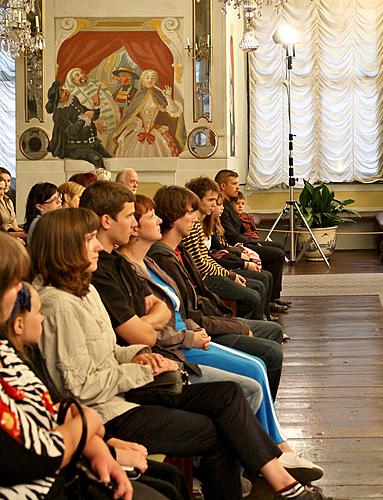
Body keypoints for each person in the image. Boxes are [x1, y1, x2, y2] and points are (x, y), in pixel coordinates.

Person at [28, 209, 333, 500]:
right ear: (66, 248)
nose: (98, 246)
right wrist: (143, 370)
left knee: (227, 393)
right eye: (89, 239)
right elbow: (78, 387)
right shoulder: (59, 306)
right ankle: (285, 485)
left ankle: (284, 483)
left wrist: (140, 354)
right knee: (220, 433)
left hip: (126, 391)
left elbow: (112, 350)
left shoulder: (84, 290)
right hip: (109, 412)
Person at [125, 195, 321, 480]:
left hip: (191, 332)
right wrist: (207, 330)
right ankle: (264, 454)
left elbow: (179, 306)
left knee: (259, 359)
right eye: (148, 216)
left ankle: (271, 448)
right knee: (255, 370)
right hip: (179, 348)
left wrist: (207, 325)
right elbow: (163, 322)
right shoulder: (151, 260)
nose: (157, 220)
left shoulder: (151, 262)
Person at [0, 234, 137, 499]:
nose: (21, 291)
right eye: (12, 284)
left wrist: (97, 444)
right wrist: (86, 425)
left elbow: (44, 403)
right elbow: (30, 457)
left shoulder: (5, 346)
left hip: (67, 452)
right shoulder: (57, 304)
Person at [149, 186, 287, 394]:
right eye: (190, 213)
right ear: (174, 217)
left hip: (206, 320)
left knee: (272, 329)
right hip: (199, 331)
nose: (196, 220)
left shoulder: (179, 250)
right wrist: (234, 325)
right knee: (271, 353)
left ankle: (262, 407)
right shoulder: (162, 258)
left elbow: (200, 296)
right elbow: (190, 313)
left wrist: (230, 321)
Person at [184, 177, 266, 320]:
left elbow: (206, 258)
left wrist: (228, 273)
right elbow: (200, 264)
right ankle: (249, 327)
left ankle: (259, 323)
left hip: (209, 273)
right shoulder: (194, 224)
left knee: (258, 286)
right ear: (197, 199)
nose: (214, 205)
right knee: (253, 294)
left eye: (216, 201)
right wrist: (229, 274)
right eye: (210, 200)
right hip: (203, 279)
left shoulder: (199, 222)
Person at [215, 170, 289, 311]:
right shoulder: (222, 207)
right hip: (237, 245)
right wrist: (253, 242)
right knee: (276, 254)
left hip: (243, 241)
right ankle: (271, 300)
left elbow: (239, 229)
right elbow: (231, 236)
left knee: (279, 247)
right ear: (223, 186)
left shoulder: (228, 204)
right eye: (234, 184)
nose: (237, 187)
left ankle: (275, 296)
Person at [111, 70, 184, 157]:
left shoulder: (159, 95)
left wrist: (168, 98)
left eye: (153, 78)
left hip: (158, 133)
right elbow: (133, 121)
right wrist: (123, 135)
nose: (150, 80)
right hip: (138, 134)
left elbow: (174, 112)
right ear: (142, 80)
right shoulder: (138, 97)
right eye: (147, 77)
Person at [45, 81, 111, 168]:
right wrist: (83, 118)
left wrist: (96, 106)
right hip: (75, 147)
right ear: (59, 99)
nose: (66, 91)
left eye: (63, 89)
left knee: (109, 158)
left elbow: (92, 115)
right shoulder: (58, 114)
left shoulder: (73, 100)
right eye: (62, 92)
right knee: (96, 158)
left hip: (92, 143)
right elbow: (72, 132)